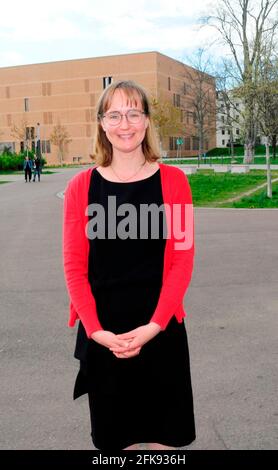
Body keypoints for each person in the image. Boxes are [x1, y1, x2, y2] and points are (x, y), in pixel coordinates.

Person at [63, 80, 196, 451]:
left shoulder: (174, 182)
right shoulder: (80, 187)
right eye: (115, 115)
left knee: (164, 446)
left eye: (134, 113)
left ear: (147, 121)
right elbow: (73, 265)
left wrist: (155, 325)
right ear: (102, 124)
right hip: (105, 336)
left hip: (161, 329)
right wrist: (95, 331)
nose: (125, 124)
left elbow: (183, 259)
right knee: (115, 447)